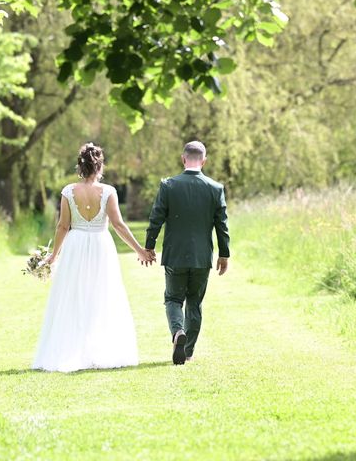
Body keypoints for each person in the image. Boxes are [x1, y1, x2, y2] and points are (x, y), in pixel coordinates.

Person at [32, 143, 153, 372]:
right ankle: (99, 350)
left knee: (74, 295)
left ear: (80, 166)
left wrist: (54, 255)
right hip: (100, 244)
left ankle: (73, 350)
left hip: (75, 245)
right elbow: (118, 224)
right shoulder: (108, 191)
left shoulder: (68, 191)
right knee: (101, 293)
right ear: (99, 166)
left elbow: (63, 226)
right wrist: (139, 250)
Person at [145, 140, 230, 365]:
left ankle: (177, 333)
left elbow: (156, 218)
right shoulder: (215, 188)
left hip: (175, 255)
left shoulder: (168, 185)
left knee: (173, 298)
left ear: (183, 159)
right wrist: (224, 254)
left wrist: (149, 246)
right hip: (202, 257)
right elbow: (222, 224)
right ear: (204, 161)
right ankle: (188, 350)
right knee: (194, 301)